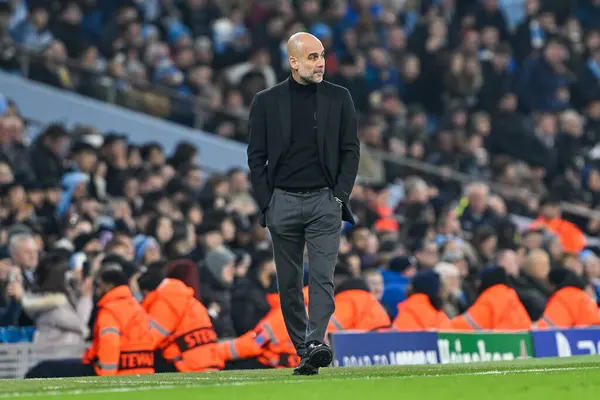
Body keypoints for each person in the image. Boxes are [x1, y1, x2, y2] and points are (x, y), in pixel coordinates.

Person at [246, 32, 360, 375]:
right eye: (312, 56)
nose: (320, 62)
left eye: (322, 55)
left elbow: (351, 150)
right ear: (293, 61)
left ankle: (315, 341)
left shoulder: (339, 97)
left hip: (325, 201)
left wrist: (339, 196)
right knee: (290, 284)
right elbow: (256, 158)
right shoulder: (266, 101)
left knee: (323, 277)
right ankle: (306, 350)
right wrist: (267, 205)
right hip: (283, 202)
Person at [25, 268, 155, 378]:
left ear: (109, 286)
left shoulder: (110, 311)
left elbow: (110, 344)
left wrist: (106, 381)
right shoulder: (138, 308)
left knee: (42, 370)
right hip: (142, 369)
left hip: (113, 373)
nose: (97, 290)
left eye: (99, 285)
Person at [139, 259, 225, 373]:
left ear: (146, 291)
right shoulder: (186, 297)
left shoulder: (166, 301)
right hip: (207, 362)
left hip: (186, 365)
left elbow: (148, 341)